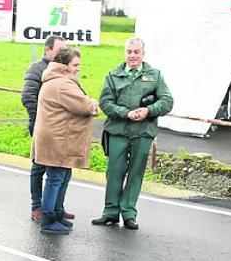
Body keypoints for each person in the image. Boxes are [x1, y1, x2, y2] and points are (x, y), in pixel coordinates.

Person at [93, 37, 174, 230]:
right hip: (118, 131)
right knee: (114, 171)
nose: (132, 56)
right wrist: (125, 113)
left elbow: (167, 101)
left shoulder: (155, 75)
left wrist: (149, 110)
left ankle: (129, 212)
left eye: (136, 52)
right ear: (125, 53)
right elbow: (105, 102)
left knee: (136, 172)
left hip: (143, 131)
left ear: (143, 54)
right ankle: (110, 212)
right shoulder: (113, 75)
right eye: (129, 52)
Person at [32, 48, 99, 234]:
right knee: (55, 178)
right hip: (59, 138)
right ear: (64, 66)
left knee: (62, 175)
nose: (78, 69)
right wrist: (93, 102)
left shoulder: (54, 80)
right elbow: (85, 106)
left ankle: (57, 213)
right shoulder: (63, 84)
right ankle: (49, 218)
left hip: (56, 136)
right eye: (75, 65)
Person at [21, 35, 69, 222]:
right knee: (40, 166)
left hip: (60, 128)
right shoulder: (37, 69)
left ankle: (57, 206)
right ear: (48, 50)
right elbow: (28, 97)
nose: (63, 54)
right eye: (59, 51)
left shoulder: (63, 71)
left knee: (61, 167)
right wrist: (42, 120)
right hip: (42, 126)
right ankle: (37, 206)